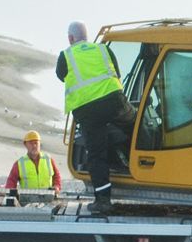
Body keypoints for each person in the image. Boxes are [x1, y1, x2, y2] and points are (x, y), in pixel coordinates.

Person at [56, 21, 136, 214]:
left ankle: (103, 201)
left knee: (96, 154)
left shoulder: (65, 55)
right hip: (113, 100)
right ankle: (138, 159)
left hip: (88, 110)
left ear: (70, 38)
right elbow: (116, 72)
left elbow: (61, 75)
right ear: (87, 36)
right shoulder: (102, 49)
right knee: (135, 124)